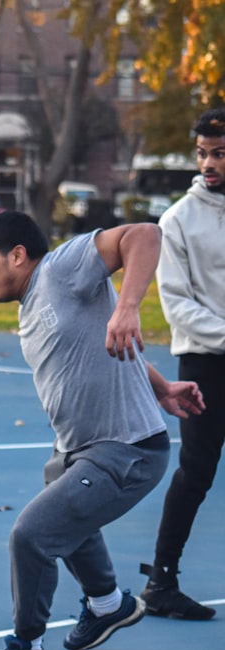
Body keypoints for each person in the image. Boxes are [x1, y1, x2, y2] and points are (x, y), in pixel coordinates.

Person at [0, 211, 204, 650]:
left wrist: (131, 306)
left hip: (126, 450)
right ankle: (107, 604)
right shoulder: (31, 306)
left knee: (32, 534)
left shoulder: (60, 269)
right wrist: (158, 386)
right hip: (79, 451)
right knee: (59, 488)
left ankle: (28, 649)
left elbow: (144, 234)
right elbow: (97, 345)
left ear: (17, 255)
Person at [140, 108, 225, 621]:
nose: (208, 163)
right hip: (204, 362)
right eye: (203, 154)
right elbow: (178, 306)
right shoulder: (177, 221)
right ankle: (161, 583)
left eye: (219, 154)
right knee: (196, 472)